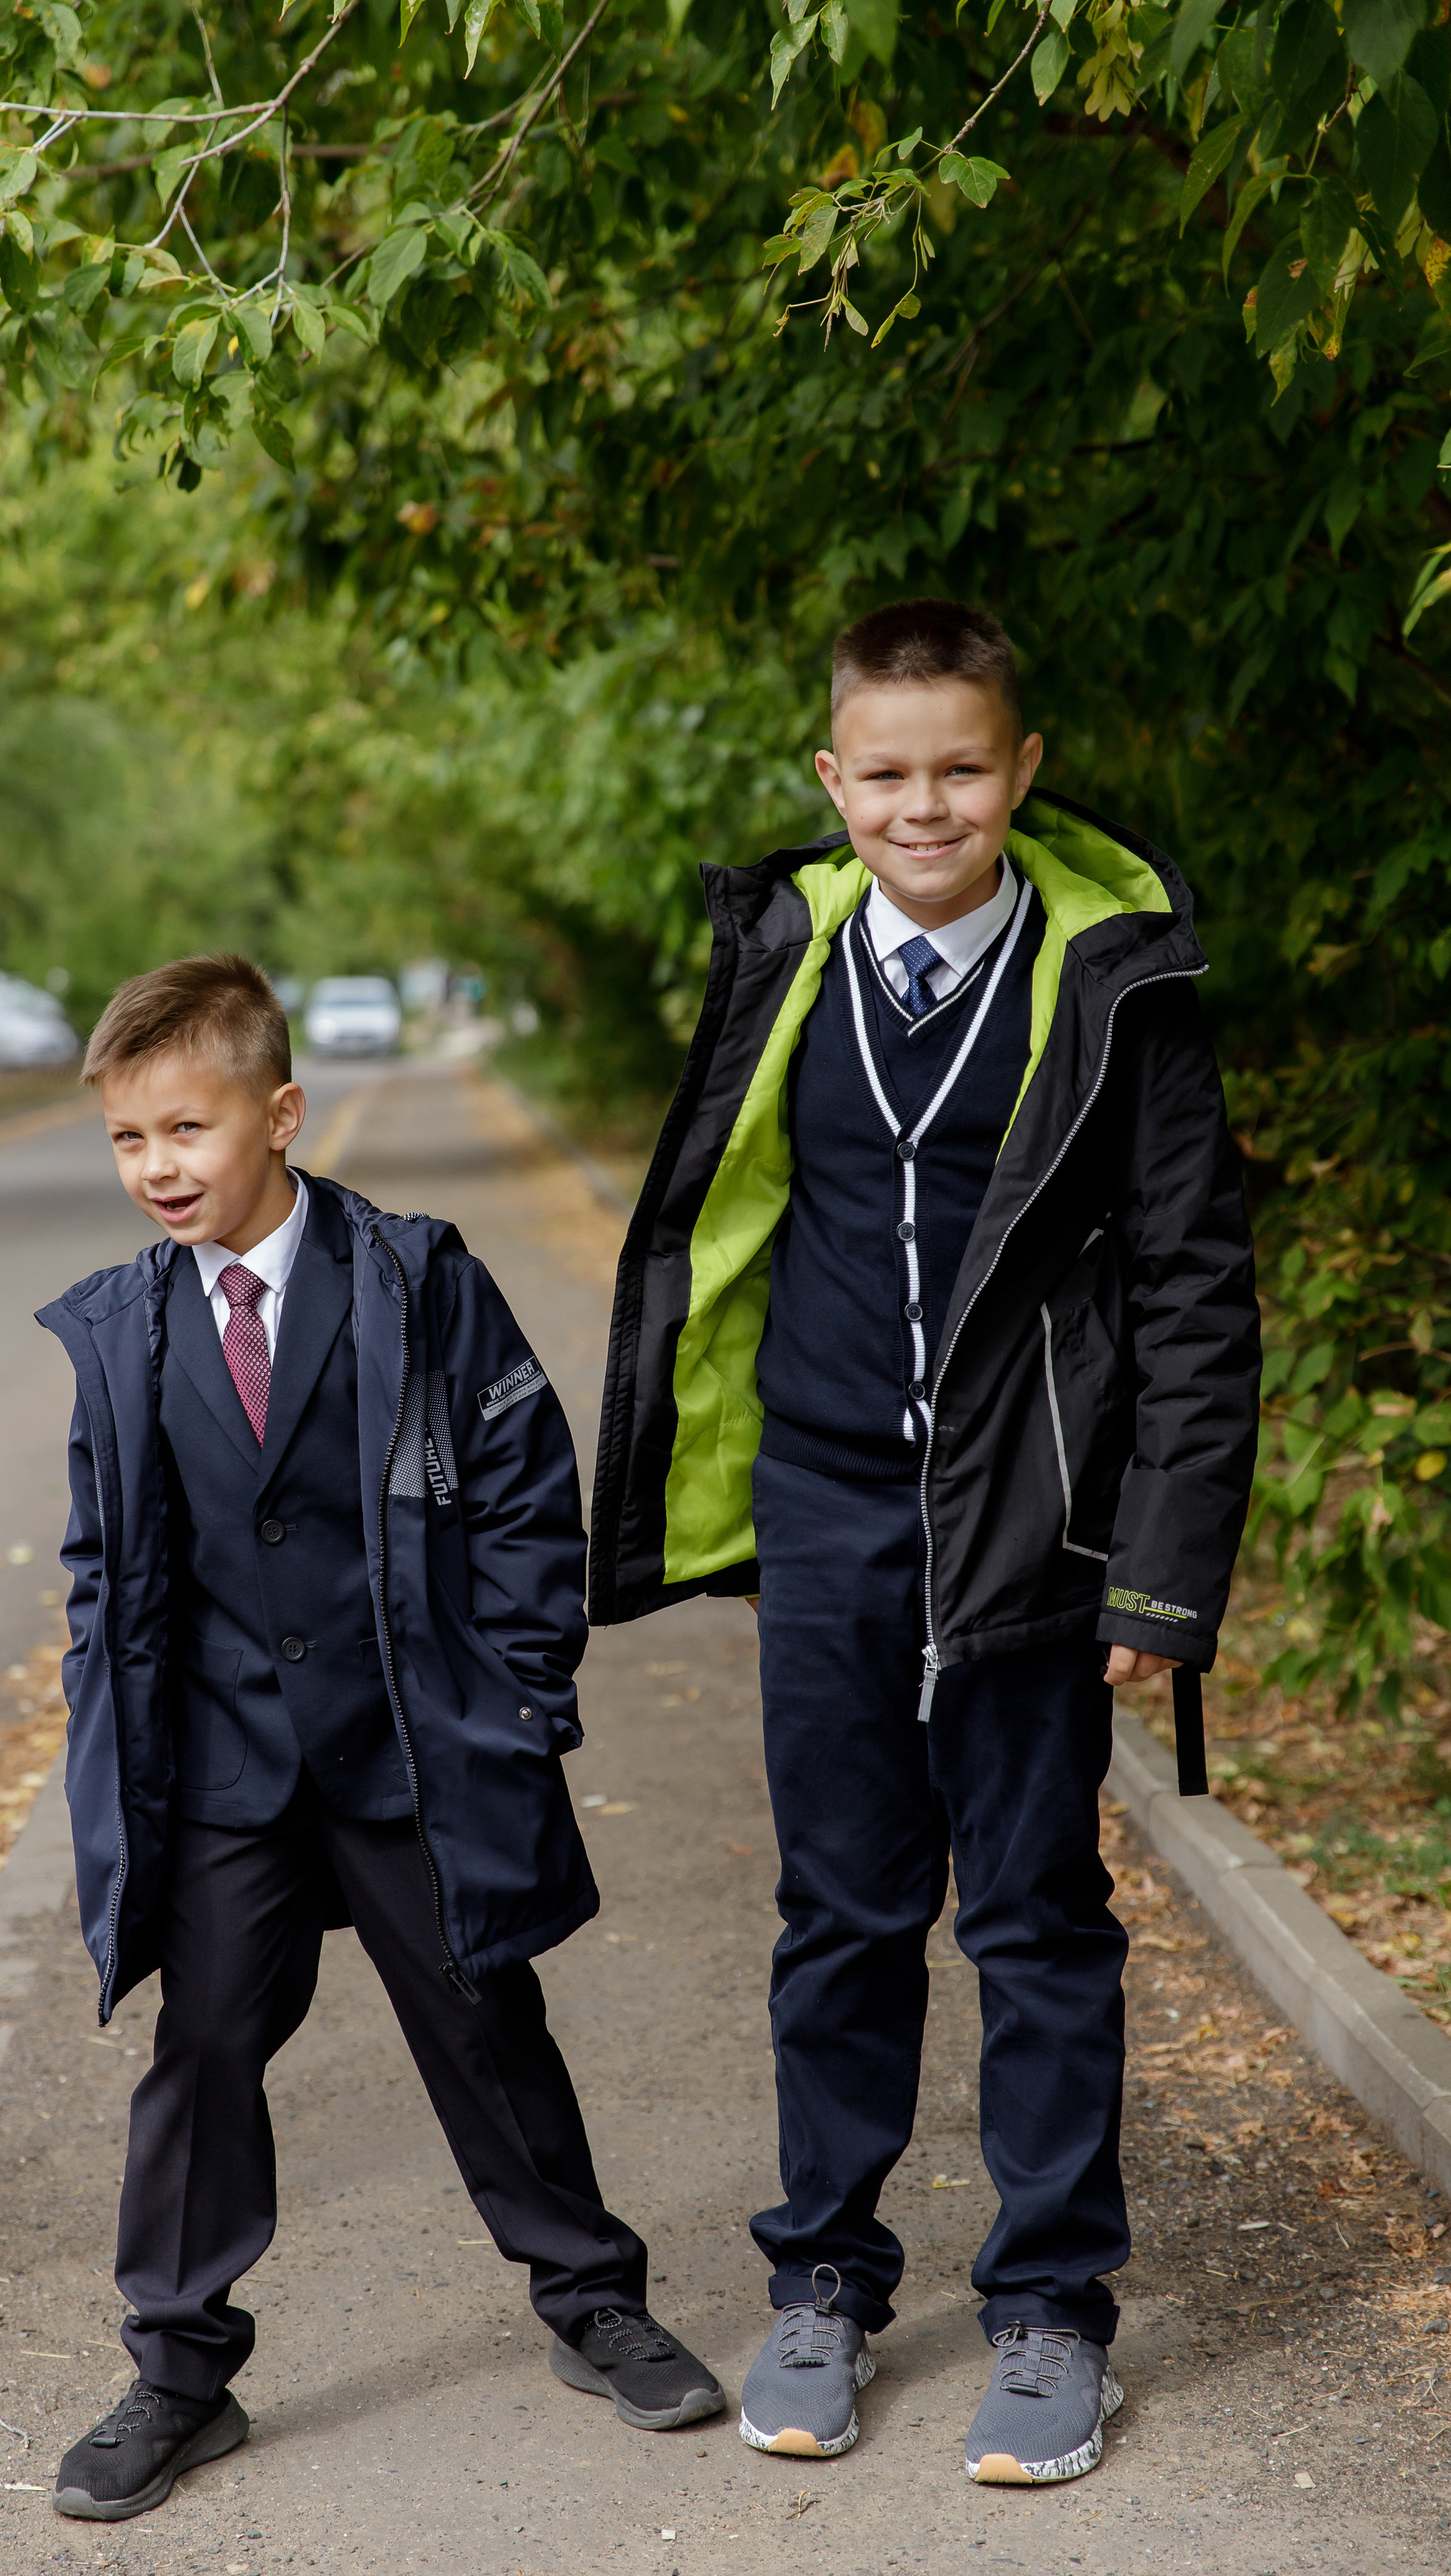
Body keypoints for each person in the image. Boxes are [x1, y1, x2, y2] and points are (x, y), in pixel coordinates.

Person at [589, 600, 1260, 2486]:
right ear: (833, 782)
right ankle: (824, 2282)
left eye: (962, 766)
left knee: (1040, 1920)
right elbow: (719, 1221)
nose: (925, 802)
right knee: (845, 1913)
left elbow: (1201, 1297)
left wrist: (1164, 1570)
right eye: (886, 772)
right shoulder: (785, 958)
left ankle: (1053, 2314)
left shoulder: (1117, 984)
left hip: (1032, 1526)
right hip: (824, 1507)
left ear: (1022, 770)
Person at [38, 953, 722, 2524]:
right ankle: (178, 2369)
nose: (158, 1169)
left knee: (485, 2019)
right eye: (129, 1142)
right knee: (201, 2051)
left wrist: (519, 1694)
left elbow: (524, 1490)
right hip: (223, 1772)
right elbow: (104, 1558)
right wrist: (108, 1707)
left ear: (279, 1114)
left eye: (188, 1131)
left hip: (411, 1745)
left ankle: (589, 2298)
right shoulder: (121, 1335)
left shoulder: (415, 1280)